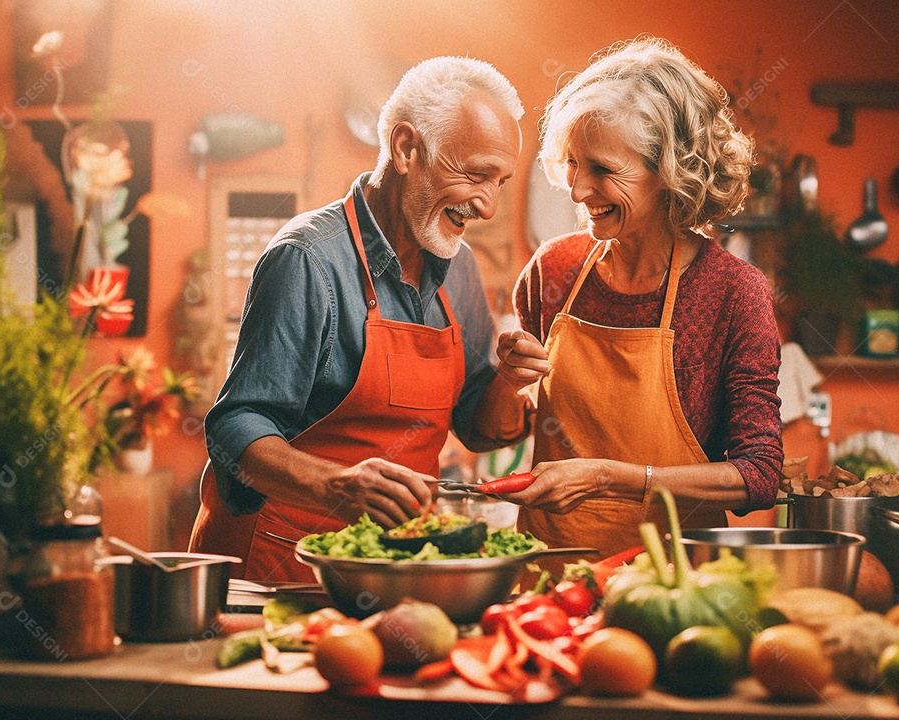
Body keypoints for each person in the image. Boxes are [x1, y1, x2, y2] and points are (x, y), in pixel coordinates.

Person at [190, 56, 532, 581]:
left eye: (500, 182)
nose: (487, 206)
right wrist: (336, 486)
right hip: (282, 566)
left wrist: (508, 380)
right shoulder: (307, 260)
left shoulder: (460, 266)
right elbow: (234, 429)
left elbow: (476, 426)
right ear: (405, 149)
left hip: (392, 566)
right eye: (475, 175)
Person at [494, 37, 783, 561]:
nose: (578, 190)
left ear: (671, 172)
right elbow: (500, 429)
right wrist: (507, 379)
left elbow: (758, 475)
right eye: (573, 164)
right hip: (547, 582)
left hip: (676, 592)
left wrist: (606, 477)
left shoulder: (733, 293)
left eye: (603, 170)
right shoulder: (553, 271)